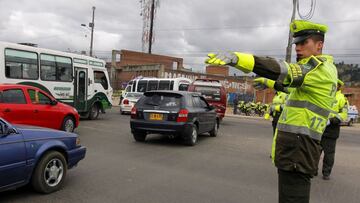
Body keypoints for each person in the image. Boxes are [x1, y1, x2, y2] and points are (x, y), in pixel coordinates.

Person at [205, 20, 337, 203]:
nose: (298, 47)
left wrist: (239, 58)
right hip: (296, 151)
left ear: (319, 45)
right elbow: (293, 88)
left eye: (303, 42)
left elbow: (284, 70)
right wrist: (269, 83)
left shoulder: (318, 68)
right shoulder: (318, 72)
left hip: (298, 153)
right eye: (296, 43)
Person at [320, 79, 348, 180]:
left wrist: (331, 121)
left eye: (335, 84)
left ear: (338, 86)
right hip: (319, 127)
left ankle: (326, 173)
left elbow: (343, 115)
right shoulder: (324, 95)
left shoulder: (342, 99)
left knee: (329, 154)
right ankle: (312, 170)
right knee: (314, 151)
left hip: (332, 129)